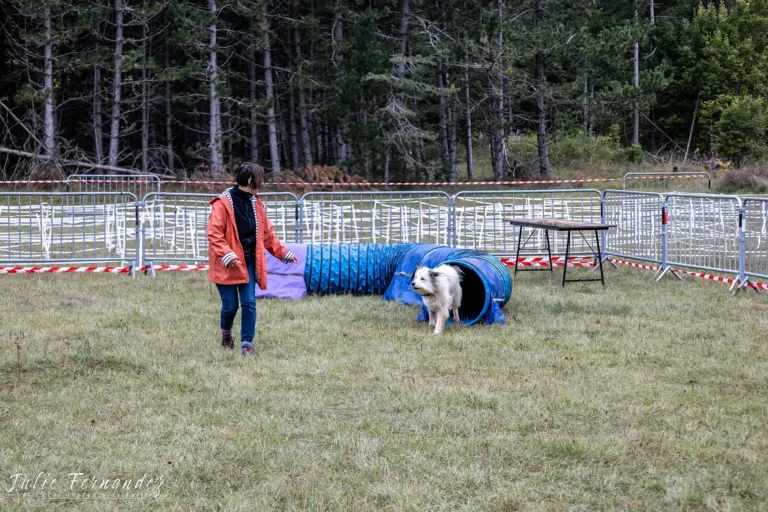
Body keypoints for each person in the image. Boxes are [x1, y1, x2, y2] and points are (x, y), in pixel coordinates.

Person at [207, 163, 298, 355]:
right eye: (260, 179)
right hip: (227, 263)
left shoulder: (257, 203)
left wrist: (283, 253)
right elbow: (214, 234)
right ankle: (226, 334)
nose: (262, 183)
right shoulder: (221, 204)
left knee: (249, 302)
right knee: (230, 306)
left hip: (247, 262)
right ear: (250, 181)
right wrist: (227, 253)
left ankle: (247, 344)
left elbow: (267, 234)